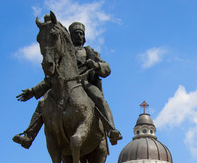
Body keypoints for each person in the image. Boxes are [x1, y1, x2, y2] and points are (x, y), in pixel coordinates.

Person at [13, 20, 122, 149]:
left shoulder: (88, 51)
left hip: (84, 83)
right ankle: (29, 136)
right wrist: (33, 91)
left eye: (81, 34)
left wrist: (96, 65)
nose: (79, 36)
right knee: (43, 103)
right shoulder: (62, 54)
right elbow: (52, 77)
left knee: (98, 97)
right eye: (76, 34)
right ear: (70, 37)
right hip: (63, 86)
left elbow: (107, 68)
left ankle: (111, 130)